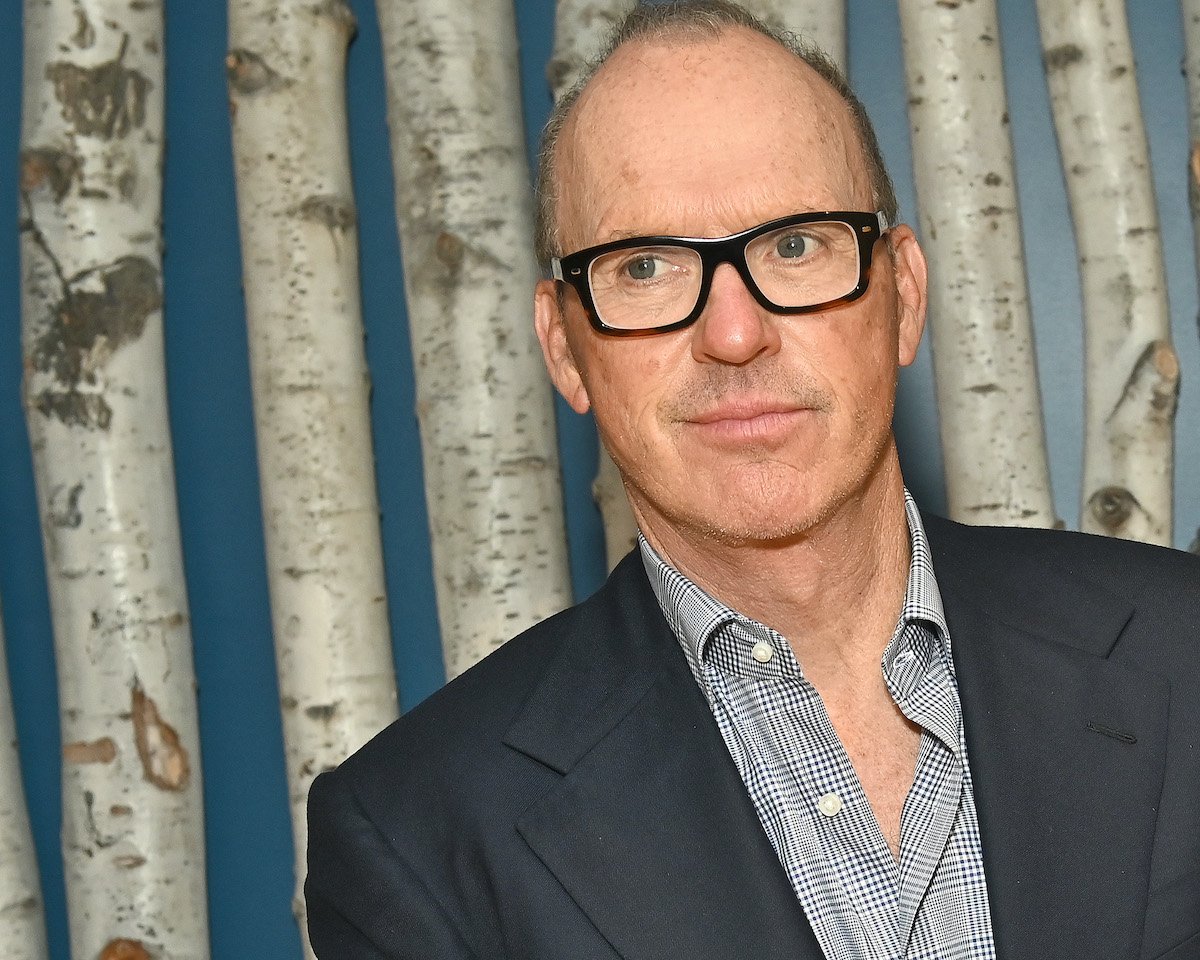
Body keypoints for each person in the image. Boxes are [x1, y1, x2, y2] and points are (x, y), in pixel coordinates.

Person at [305, 2, 1200, 958]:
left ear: (903, 297)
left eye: (795, 245)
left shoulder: (1183, 650)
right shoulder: (417, 841)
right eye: (644, 266)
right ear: (564, 348)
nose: (734, 334)